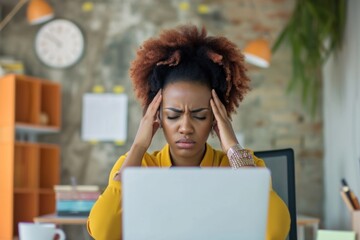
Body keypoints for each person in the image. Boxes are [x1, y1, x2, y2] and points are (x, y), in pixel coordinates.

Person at [87, 24, 290, 240]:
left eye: (200, 115)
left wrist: (232, 146)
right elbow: (102, 232)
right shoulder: (135, 167)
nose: (185, 127)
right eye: (173, 115)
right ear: (158, 118)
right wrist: (138, 147)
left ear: (215, 119)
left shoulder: (242, 168)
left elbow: (276, 232)